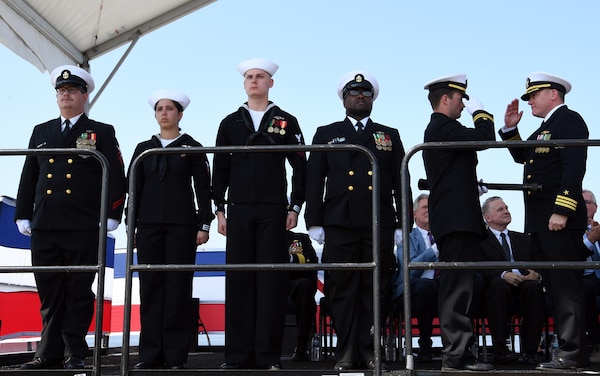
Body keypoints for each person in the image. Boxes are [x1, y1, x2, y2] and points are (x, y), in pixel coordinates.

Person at [14, 65, 126, 369]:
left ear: (84, 95)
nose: (66, 94)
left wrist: (112, 212)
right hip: (46, 223)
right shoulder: (42, 131)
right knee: (49, 291)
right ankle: (47, 353)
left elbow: (116, 174)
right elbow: (30, 174)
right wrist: (23, 213)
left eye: (72, 90)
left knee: (78, 290)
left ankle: (74, 353)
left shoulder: (101, 131)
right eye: (61, 91)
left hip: (81, 223)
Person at [305, 70, 406, 371]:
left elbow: (402, 180)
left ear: (372, 99)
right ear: (344, 99)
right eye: (354, 92)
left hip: (379, 221)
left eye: (366, 93)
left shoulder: (389, 134)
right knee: (342, 287)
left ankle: (371, 348)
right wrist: (314, 220)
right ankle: (346, 350)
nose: (360, 96)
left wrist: (404, 222)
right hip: (339, 221)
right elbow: (314, 179)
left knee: (376, 286)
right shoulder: (327, 132)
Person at [212, 58, 307, 371]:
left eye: (260, 76)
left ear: (271, 83)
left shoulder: (286, 121)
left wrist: (295, 207)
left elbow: (300, 166)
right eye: (250, 77)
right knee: (238, 280)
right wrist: (219, 209)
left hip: (273, 209)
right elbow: (220, 170)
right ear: (244, 84)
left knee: (271, 282)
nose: (254, 81)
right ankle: (237, 356)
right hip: (237, 209)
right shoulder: (230, 123)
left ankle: (268, 356)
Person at [501, 72, 590, 370]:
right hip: (541, 222)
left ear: (553, 94)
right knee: (555, 287)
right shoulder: (544, 129)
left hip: (557, 220)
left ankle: (572, 353)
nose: (529, 102)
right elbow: (522, 156)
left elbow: (574, 168)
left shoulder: (568, 120)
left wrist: (563, 209)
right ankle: (569, 351)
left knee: (566, 289)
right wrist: (511, 129)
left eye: (534, 96)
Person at [128, 90, 214, 369]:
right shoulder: (143, 148)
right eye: (159, 109)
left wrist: (204, 223)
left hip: (182, 227)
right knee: (150, 288)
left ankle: (176, 356)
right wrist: (133, 227)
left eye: (169, 108)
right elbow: (134, 190)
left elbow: (203, 189)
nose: (164, 113)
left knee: (178, 289)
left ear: (180, 114)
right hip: (149, 226)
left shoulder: (192, 147)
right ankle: (150, 355)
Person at [422, 74, 495, 371]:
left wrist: (467, 184)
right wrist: (482, 115)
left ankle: (459, 354)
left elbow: (454, 168)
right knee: (456, 289)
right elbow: (484, 140)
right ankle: (456, 356)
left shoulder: (443, 128)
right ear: (445, 99)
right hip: (455, 220)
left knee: (460, 288)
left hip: (457, 217)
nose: (463, 104)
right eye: (460, 99)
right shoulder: (443, 126)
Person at [479, 196, 545, 365]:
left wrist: (536, 275)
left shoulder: (523, 239)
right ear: (488, 218)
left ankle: (530, 351)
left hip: (524, 284)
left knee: (533, 287)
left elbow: (539, 262)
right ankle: (501, 349)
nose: (506, 211)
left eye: (507, 207)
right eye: (500, 209)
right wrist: (502, 274)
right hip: (495, 289)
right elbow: (479, 267)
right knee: (498, 285)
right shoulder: (480, 240)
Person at [391, 193, 439, 363]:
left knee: (468, 282)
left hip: (440, 287)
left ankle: (461, 346)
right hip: (411, 290)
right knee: (424, 286)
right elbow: (409, 269)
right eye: (425, 207)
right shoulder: (407, 236)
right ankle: (425, 344)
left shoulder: (444, 235)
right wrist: (434, 250)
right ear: (415, 213)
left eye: (431, 207)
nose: (429, 211)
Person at [286, 230, 318, 361]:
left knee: (304, 286)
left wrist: (290, 258)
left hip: (294, 283)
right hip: (270, 282)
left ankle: (301, 346)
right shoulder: (262, 236)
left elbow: (311, 260)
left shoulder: (299, 238)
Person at [581, 189, 600, 362]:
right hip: (582, 278)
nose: (582, 205)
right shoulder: (566, 231)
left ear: (595, 207)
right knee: (586, 289)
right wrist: (589, 241)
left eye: (587, 202)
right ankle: (596, 343)